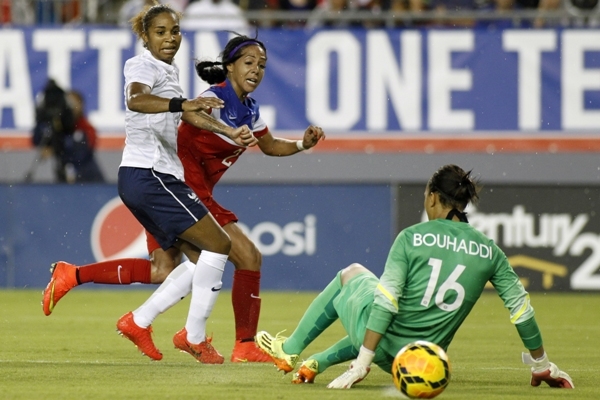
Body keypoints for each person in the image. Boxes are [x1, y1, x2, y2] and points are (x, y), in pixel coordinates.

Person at [41, 33, 325, 363]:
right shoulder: (213, 98)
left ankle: (78, 279)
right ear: (229, 67)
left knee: (165, 268)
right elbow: (189, 115)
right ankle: (232, 343)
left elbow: (271, 145)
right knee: (246, 255)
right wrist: (227, 132)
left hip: (170, 189)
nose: (256, 70)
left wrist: (303, 144)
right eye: (249, 63)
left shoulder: (249, 110)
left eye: (261, 65)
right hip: (180, 188)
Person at [255, 164, 574, 390]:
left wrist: (361, 364)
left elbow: (385, 304)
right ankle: (319, 361)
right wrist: (541, 364)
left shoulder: (413, 237)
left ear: (433, 196)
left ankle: (290, 348)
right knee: (385, 315)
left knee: (352, 275)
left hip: (380, 348)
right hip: (420, 359)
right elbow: (522, 312)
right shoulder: (490, 252)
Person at [62, 90, 106, 183]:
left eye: (73, 104)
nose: (71, 108)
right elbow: (36, 139)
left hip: (89, 181)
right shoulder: (58, 129)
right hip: (62, 182)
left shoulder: (86, 128)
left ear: (81, 105)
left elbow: (80, 155)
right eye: (68, 104)